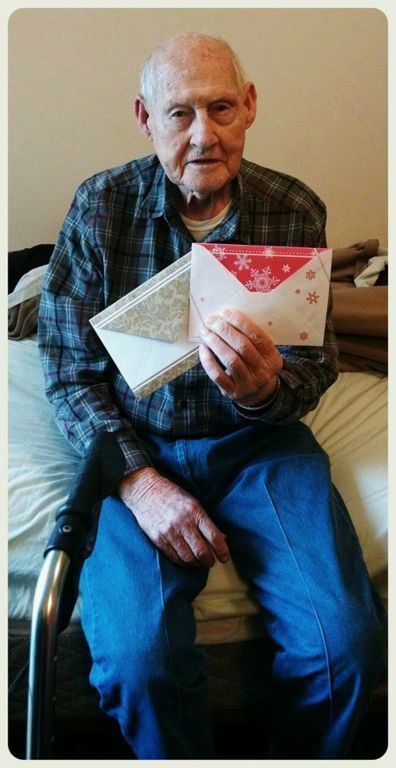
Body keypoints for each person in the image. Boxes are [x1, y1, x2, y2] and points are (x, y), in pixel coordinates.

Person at [38, 33, 384, 759]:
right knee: (140, 660)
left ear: (250, 106)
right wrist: (138, 482)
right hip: (134, 444)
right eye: (180, 114)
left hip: (260, 444)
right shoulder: (102, 207)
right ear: (145, 118)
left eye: (221, 108)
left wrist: (265, 391)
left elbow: (313, 365)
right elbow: (68, 370)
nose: (204, 135)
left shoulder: (291, 207)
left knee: (346, 647)